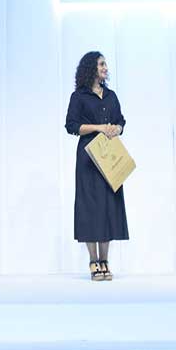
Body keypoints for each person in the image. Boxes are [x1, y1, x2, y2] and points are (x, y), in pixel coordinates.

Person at [65, 51, 128, 281]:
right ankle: (93, 261)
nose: (105, 68)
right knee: (90, 207)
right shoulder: (79, 96)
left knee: (108, 206)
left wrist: (116, 128)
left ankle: (105, 260)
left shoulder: (110, 95)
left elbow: (121, 120)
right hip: (88, 157)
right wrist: (99, 128)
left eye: (105, 64)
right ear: (91, 68)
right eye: (101, 64)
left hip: (109, 154)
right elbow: (71, 126)